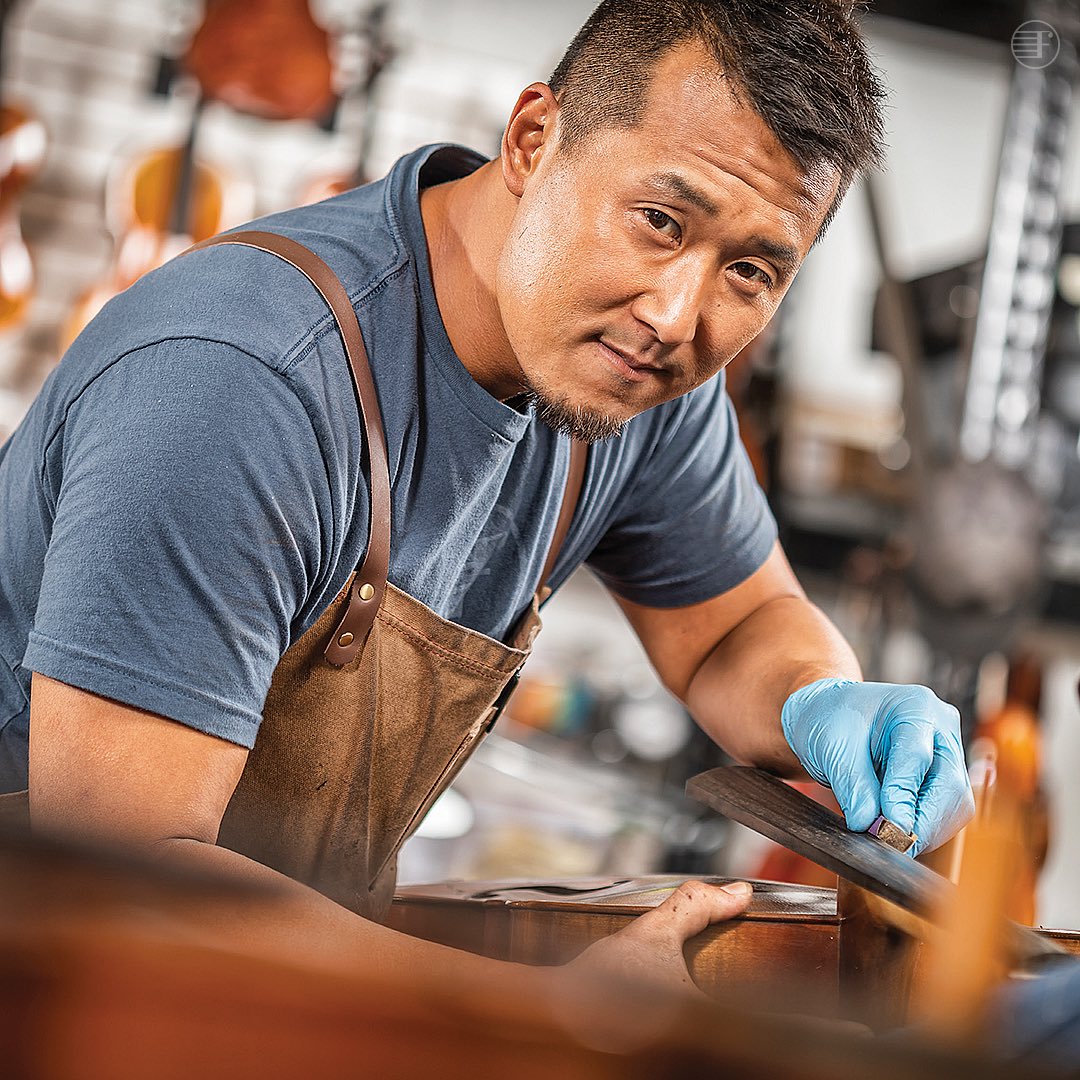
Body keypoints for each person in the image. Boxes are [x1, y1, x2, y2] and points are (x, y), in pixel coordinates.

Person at [0, 0, 973, 990]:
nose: (679, 315)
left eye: (752, 270)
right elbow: (127, 888)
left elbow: (734, 627)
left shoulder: (632, 378)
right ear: (533, 139)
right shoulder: (242, 382)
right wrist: (540, 1010)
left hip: (273, 994)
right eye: (659, 221)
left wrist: (823, 697)